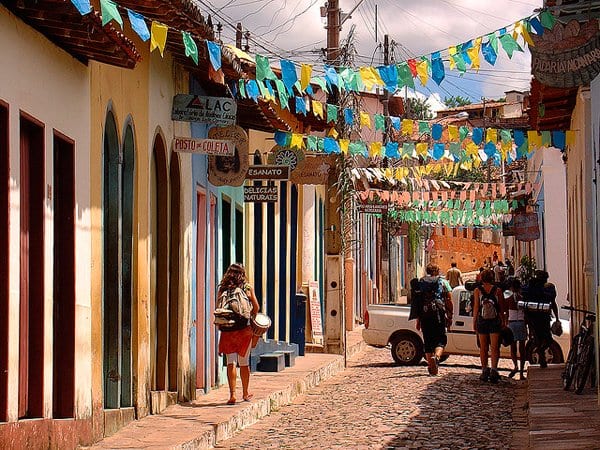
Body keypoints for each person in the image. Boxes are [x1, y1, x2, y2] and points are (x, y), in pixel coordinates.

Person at [217, 263, 260, 405]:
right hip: (244, 330)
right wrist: (248, 314)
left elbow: (219, 307)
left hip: (228, 330)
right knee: (244, 363)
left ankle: (232, 394)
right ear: (242, 273)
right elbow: (256, 307)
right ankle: (245, 392)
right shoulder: (247, 287)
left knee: (231, 362)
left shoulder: (223, 288)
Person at [413, 263, 453, 376]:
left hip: (425, 314)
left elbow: (418, 303)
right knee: (441, 339)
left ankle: (432, 367)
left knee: (428, 341)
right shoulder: (443, 282)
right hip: (439, 314)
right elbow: (449, 300)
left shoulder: (421, 283)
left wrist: (418, 320)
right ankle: (437, 356)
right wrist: (450, 315)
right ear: (437, 271)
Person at [473, 269, 507, 383]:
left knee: (483, 347)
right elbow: (501, 308)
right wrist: (504, 320)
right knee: (494, 347)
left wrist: (474, 322)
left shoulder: (478, 290)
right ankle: (494, 369)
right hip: (494, 320)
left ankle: (484, 370)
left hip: (482, 320)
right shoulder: (498, 290)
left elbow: (476, 308)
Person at [521, 270, 559, 368]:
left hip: (531, 318)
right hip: (544, 317)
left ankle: (541, 355)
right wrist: (557, 317)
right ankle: (541, 353)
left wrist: (526, 319)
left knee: (537, 338)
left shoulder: (529, 288)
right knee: (548, 339)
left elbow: (525, 304)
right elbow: (553, 303)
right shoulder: (548, 289)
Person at [505, 278, 527, 380]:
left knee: (513, 348)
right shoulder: (523, 298)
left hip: (512, 323)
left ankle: (515, 366)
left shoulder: (509, 299)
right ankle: (522, 372)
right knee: (522, 350)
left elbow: (505, 312)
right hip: (521, 323)